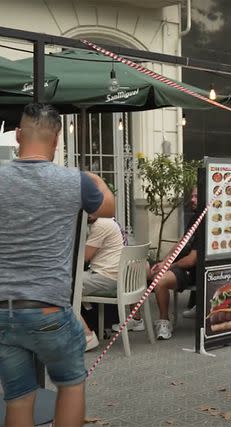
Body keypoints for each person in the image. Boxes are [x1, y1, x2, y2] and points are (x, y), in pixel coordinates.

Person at [0, 103, 115, 427]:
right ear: (57, 138)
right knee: (71, 385)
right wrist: (96, 180)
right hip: (49, 311)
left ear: (20, 135)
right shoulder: (73, 181)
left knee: (19, 398)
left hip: (3, 312)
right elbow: (109, 208)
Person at [80, 215, 143, 352]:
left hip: (106, 277)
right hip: (115, 276)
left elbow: (83, 258)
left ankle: (86, 336)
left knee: (60, 289)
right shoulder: (111, 221)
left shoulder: (101, 224)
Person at [150, 186, 199, 340]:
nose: (191, 199)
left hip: (196, 271)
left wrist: (169, 266)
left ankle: (164, 322)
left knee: (160, 280)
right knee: (153, 271)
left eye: (196, 197)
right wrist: (164, 261)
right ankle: (142, 319)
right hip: (184, 266)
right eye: (192, 196)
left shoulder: (210, 222)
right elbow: (182, 243)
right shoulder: (195, 218)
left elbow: (192, 259)